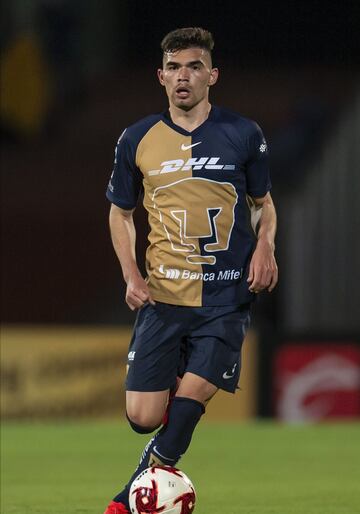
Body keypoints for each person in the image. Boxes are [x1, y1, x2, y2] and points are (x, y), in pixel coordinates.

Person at [104, 27, 278, 514]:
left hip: (226, 297)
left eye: (195, 66)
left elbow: (264, 204)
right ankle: (177, 395)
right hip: (163, 297)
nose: (185, 76)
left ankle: (127, 500)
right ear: (161, 77)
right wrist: (130, 274)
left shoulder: (243, 134)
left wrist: (266, 246)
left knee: (187, 406)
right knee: (142, 417)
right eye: (175, 67)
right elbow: (120, 211)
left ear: (212, 75)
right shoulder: (137, 138)